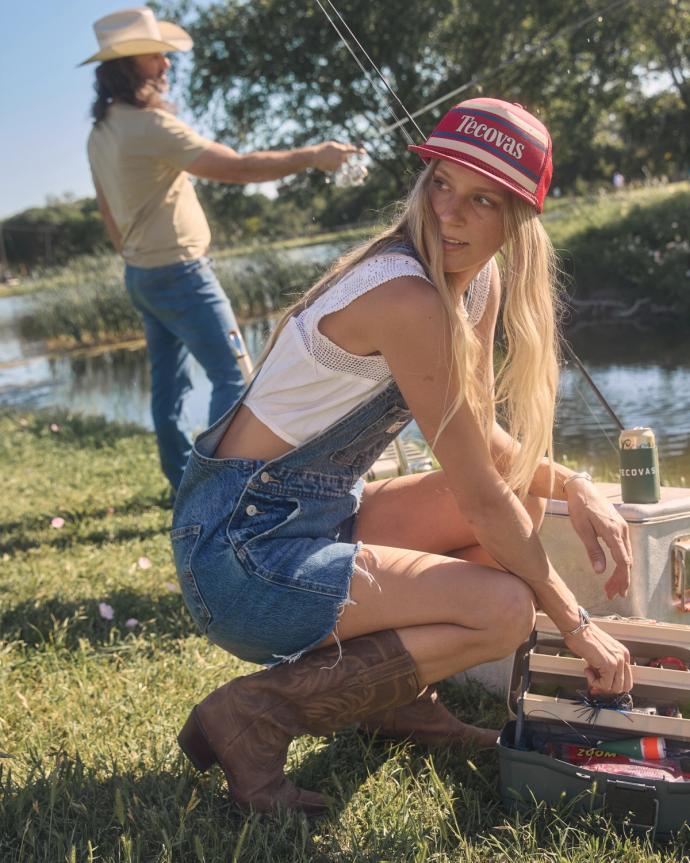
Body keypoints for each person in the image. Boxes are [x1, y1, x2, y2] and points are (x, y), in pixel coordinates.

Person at [171, 98, 634, 815]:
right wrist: (576, 623)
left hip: (307, 520)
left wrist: (577, 485)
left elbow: (485, 448)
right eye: (442, 184)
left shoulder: (477, 280)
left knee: (524, 501)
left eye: (482, 200)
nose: (450, 213)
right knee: (507, 607)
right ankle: (258, 711)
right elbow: (479, 491)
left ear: (518, 220)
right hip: (239, 555)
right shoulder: (405, 296)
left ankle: (393, 699)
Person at [82, 7, 359, 491]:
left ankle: (182, 482)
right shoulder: (149, 127)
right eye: (156, 57)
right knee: (235, 377)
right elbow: (238, 168)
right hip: (182, 274)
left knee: (169, 388)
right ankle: (214, 490)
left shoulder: (101, 132)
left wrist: (134, 257)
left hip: (142, 276)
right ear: (128, 66)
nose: (167, 65)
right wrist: (313, 156)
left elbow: (107, 212)